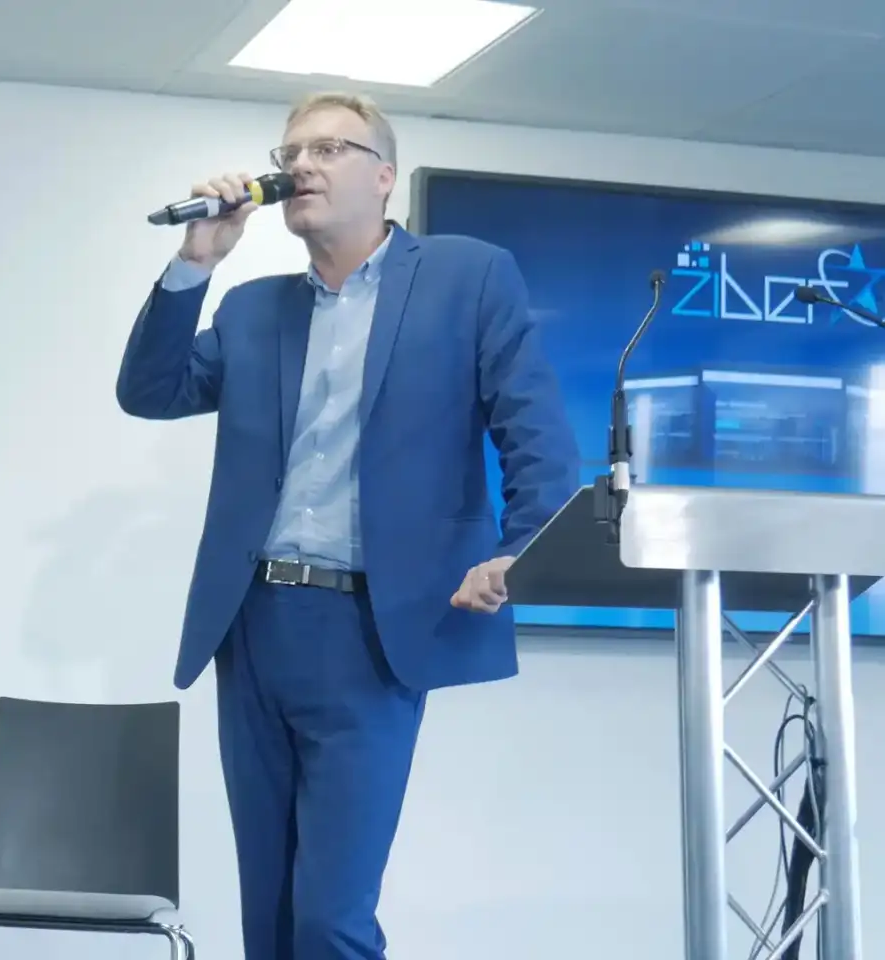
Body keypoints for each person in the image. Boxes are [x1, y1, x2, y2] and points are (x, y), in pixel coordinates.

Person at [116, 91, 579, 960]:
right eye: (292, 151)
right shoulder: (254, 308)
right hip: (252, 627)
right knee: (274, 916)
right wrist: (196, 262)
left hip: (373, 630)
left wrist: (520, 550)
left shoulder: (466, 276)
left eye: (330, 148)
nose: (301, 166)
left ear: (384, 176)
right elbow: (151, 391)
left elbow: (534, 431)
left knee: (331, 918)